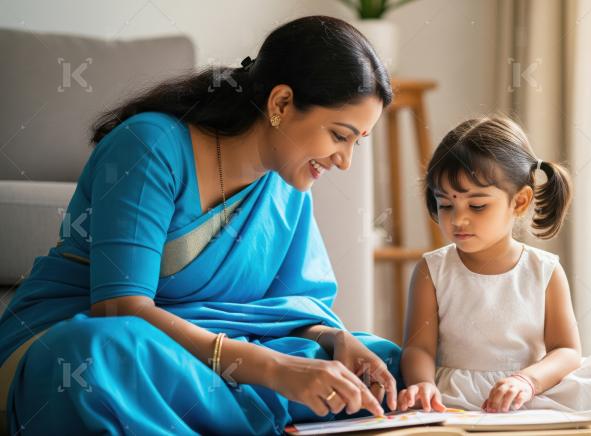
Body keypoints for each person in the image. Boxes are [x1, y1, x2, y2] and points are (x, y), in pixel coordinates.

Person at [0, 15, 400, 435]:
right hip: (105, 344)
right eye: (340, 135)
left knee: (379, 361)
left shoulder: (288, 186)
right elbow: (119, 309)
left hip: (212, 357)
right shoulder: (149, 145)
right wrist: (271, 368)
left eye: (358, 141)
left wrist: (333, 340)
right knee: (98, 356)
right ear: (281, 104)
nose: (345, 160)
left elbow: (291, 307)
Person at [397, 116, 591, 435]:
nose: (458, 219)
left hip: (532, 388)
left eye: (477, 206)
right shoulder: (432, 269)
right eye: (445, 205)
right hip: (458, 393)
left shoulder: (543, 269)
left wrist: (527, 381)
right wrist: (422, 385)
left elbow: (566, 350)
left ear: (519, 201)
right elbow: (418, 348)